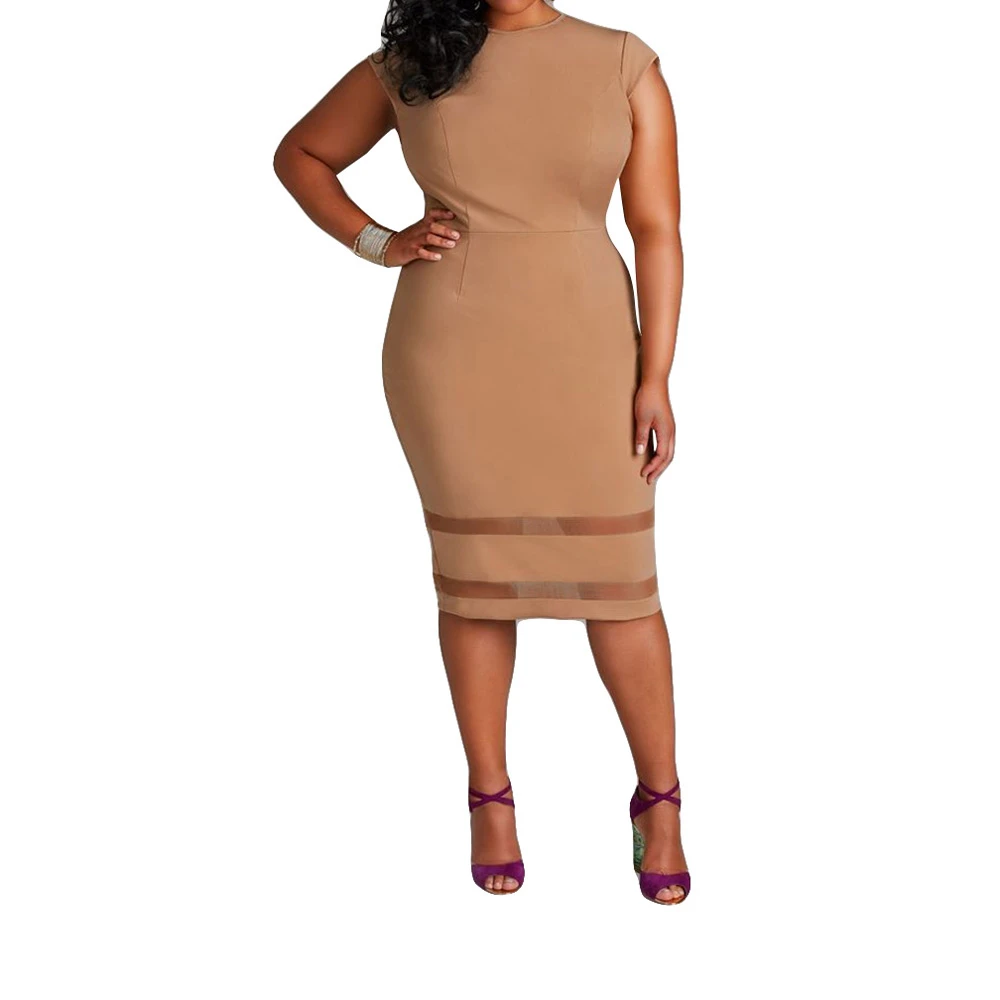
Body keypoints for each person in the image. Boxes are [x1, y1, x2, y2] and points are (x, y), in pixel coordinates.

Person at [273, 0, 688, 904]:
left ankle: (661, 799)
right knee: (476, 579)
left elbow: (657, 227)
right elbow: (301, 154)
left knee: (621, 584)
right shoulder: (415, 57)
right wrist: (379, 242)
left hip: (590, 348)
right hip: (452, 352)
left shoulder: (622, 60)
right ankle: (490, 798)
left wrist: (655, 374)